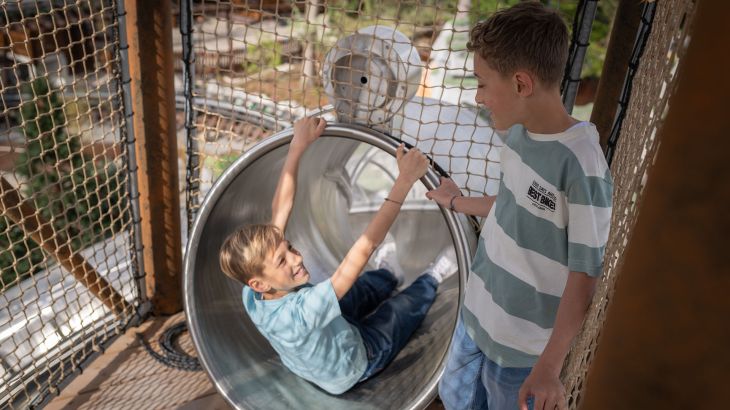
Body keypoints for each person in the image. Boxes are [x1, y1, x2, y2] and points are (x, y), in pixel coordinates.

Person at [427, 2, 613, 409]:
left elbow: (584, 276)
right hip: (474, 319)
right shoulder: (518, 136)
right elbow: (511, 206)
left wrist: (548, 367)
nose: (478, 97)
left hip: (523, 355)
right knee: (455, 400)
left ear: (521, 84)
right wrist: (456, 201)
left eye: (481, 83)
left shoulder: (581, 166)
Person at [219, 117, 456, 395]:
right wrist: (403, 182)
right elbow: (363, 250)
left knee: (355, 291)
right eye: (283, 261)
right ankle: (431, 277)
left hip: (330, 330)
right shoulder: (300, 314)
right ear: (258, 282)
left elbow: (280, 208)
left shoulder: (253, 293)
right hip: (356, 360)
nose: (297, 258)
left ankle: (390, 275)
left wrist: (297, 147)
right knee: (397, 312)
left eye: (290, 248)